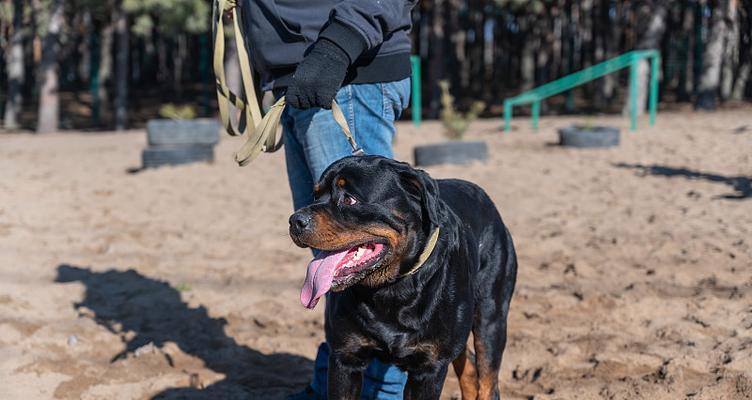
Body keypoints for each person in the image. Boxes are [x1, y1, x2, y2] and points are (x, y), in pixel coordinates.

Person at [239, 1, 418, 399]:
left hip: (346, 71)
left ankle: (382, 391)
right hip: (301, 77)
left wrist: (337, 46)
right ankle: (332, 385)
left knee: (377, 256)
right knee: (334, 257)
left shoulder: (338, 55)